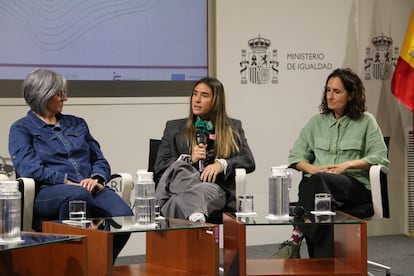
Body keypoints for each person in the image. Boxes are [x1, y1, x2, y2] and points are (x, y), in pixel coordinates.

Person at [8, 68, 133, 262]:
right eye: (59, 94)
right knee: (77, 195)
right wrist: (66, 182)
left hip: (89, 188)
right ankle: (68, 266)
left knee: (124, 216)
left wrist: (97, 178)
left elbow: (99, 159)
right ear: (42, 95)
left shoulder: (77, 124)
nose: (64, 98)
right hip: (48, 192)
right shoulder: (21, 128)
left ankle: (101, 265)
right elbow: (28, 168)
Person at [272, 68, 389, 259]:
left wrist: (347, 166)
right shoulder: (316, 123)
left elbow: (379, 157)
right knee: (320, 199)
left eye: (336, 91)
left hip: (352, 187)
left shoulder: (366, 121)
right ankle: (323, 268)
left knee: (316, 187)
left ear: (351, 95)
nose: (330, 96)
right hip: (320, 189)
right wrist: (313, 169)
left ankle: (296, 237)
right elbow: (296, 156)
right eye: (328, 90)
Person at [154, 77, 255, 222]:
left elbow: (248, 160)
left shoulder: (232, 128)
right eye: (195, 94)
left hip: (212, 189)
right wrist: (189, 159)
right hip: (175, 188)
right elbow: (160, 165)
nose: (197, 99)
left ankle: (188, 222)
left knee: (178, 202)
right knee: (181, 166)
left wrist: (222, 164)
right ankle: (197, 220)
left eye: (204, 95)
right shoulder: (174, 128)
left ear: (216, 100)